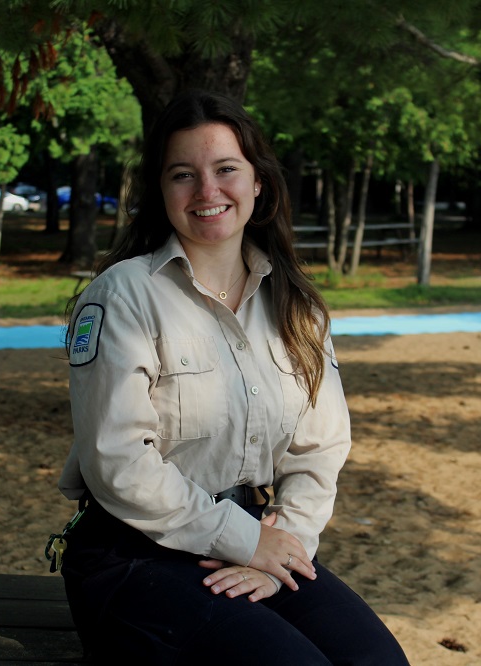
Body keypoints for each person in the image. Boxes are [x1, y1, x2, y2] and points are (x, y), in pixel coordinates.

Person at [55, 89, 409, 665]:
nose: (207, 192)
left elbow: (321, 449)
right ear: (160, 191)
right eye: (182, 175)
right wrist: (247, 542)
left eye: (226, 170)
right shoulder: (123, 296)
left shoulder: (297, 306)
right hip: (134, 556)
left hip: (254, 539)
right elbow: (117, 462)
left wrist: (280, 551)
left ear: (258, 182)